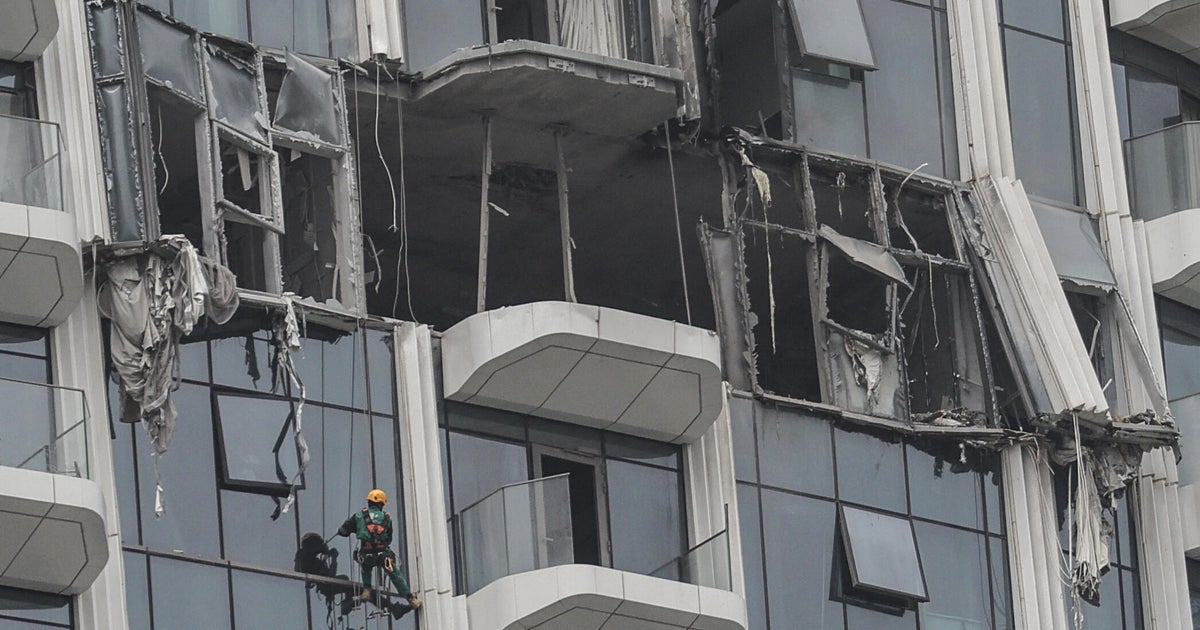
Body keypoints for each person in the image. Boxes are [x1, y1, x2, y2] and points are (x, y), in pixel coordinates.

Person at [336, 489, 422, 618]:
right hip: (383, 556)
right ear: (381, 504)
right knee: (395, 575)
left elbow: (344, 531)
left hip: (366, 555)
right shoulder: (387, 518)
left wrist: (352, 529)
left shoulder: (359, 515)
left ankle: (367, 590)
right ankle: (411, 599)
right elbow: (388, 538)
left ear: (369, 502)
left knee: (365, 567)